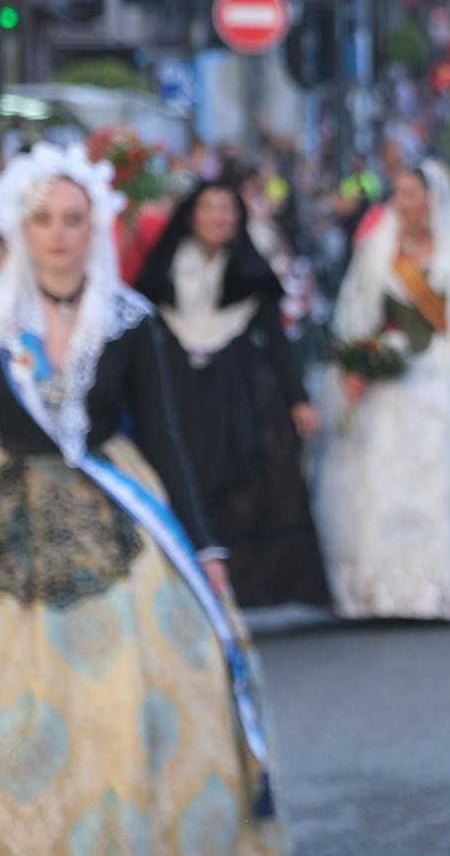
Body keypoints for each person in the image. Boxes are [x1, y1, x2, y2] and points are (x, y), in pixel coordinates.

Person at [0, 143, 279, 851]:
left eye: (74, 219)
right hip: (12, 502)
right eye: (43, 220)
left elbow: (166, 438)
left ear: (95, 228)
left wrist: (205, 545)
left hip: (116, 500)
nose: (59, 235)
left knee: (139, 677)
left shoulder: (129, 320)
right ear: (18, 229)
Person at [316, 161, 450, 620]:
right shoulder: (378, 247)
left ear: (431, 199)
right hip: (393, 375)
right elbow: (357, 316)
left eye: (413, 193)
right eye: (399, 194)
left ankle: (446, 588)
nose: (405, 203)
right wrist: (358, 363)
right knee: (385, 473)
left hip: (448, 373)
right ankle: (384, 592)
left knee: (448, 475)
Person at [133, 178, 330, 608]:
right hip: (180, 393)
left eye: (228, 209)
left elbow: (278, 341)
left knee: (247, 484)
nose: (219, 218)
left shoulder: (251, 272)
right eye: (210, 208)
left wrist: (298, 399)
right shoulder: (163, 270)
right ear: (191, 214)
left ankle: (248, 586)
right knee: (184, 478)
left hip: (239, 390)